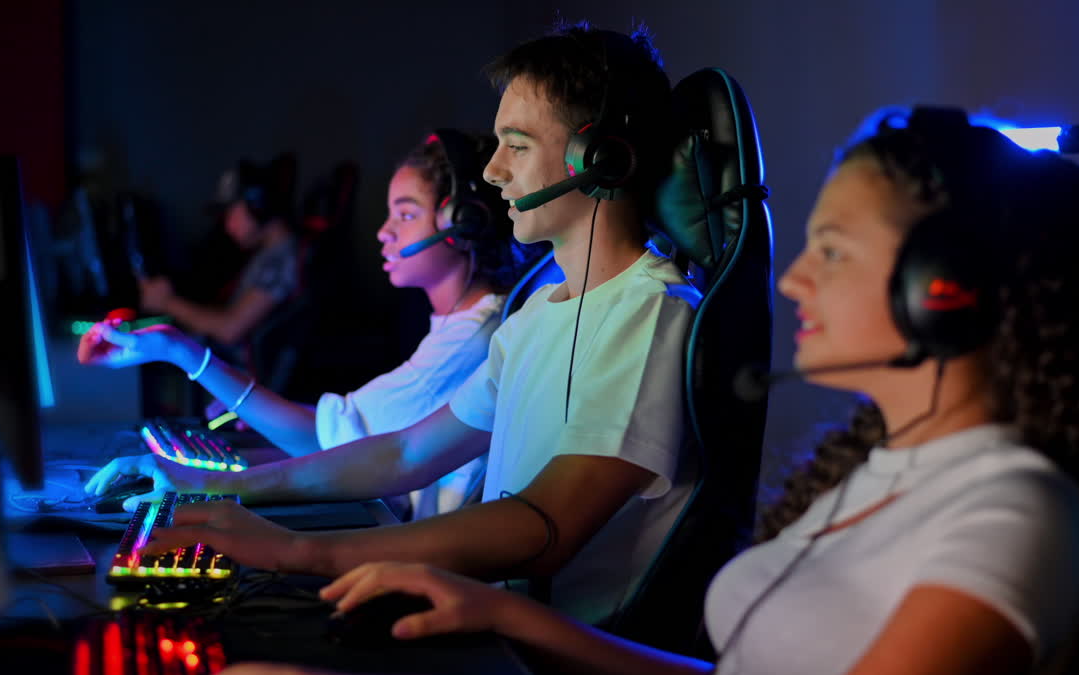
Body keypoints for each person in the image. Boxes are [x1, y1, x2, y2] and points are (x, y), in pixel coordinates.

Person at [172, 110, 1079, 675]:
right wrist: (508, 625)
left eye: (830, 250)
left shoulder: (1012, 517)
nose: (791, 278)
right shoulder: (881, 472)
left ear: (941, 289)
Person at [116, 22, 693, 628]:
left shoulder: (650, 312)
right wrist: (225, 490)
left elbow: (545, 526)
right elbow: (405, 451)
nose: (493, 172)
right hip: (491, 621)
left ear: (598, 159)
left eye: (517, 146)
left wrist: (298, 551)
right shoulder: (538, 316)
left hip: (551, 665)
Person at [79, 129, 533, 520]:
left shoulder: (472, 339)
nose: (384, 231)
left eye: (407, 214)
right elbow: (347, 433)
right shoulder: (462, 325)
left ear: (464, 225)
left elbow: (325, 439)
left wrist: (180, 351)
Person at [137, 153, 301, 352]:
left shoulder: (279, 260)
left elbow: (229, 330)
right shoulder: (267, 253)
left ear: (257, 207)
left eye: (230, 213)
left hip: (238, 377)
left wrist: (167, 302)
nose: (227, 224)